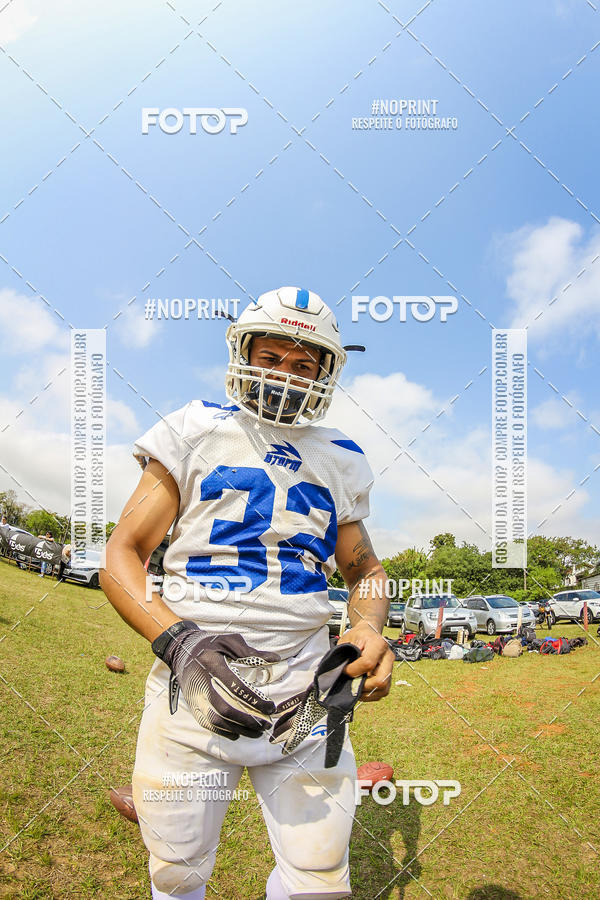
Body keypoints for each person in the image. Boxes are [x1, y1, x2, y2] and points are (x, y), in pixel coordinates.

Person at [101, 286, 393, 900]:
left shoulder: (340, 456)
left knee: (320, 883)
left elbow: (363, 567)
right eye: (271, 357)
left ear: (326, 372)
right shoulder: (195, 428)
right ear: (243, 355)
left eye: (303, 364)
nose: (285, 375)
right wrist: (177, 641)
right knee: (177, 874)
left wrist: (368, 626)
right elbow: (122, 554)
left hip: (307, 697)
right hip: (195, 686)